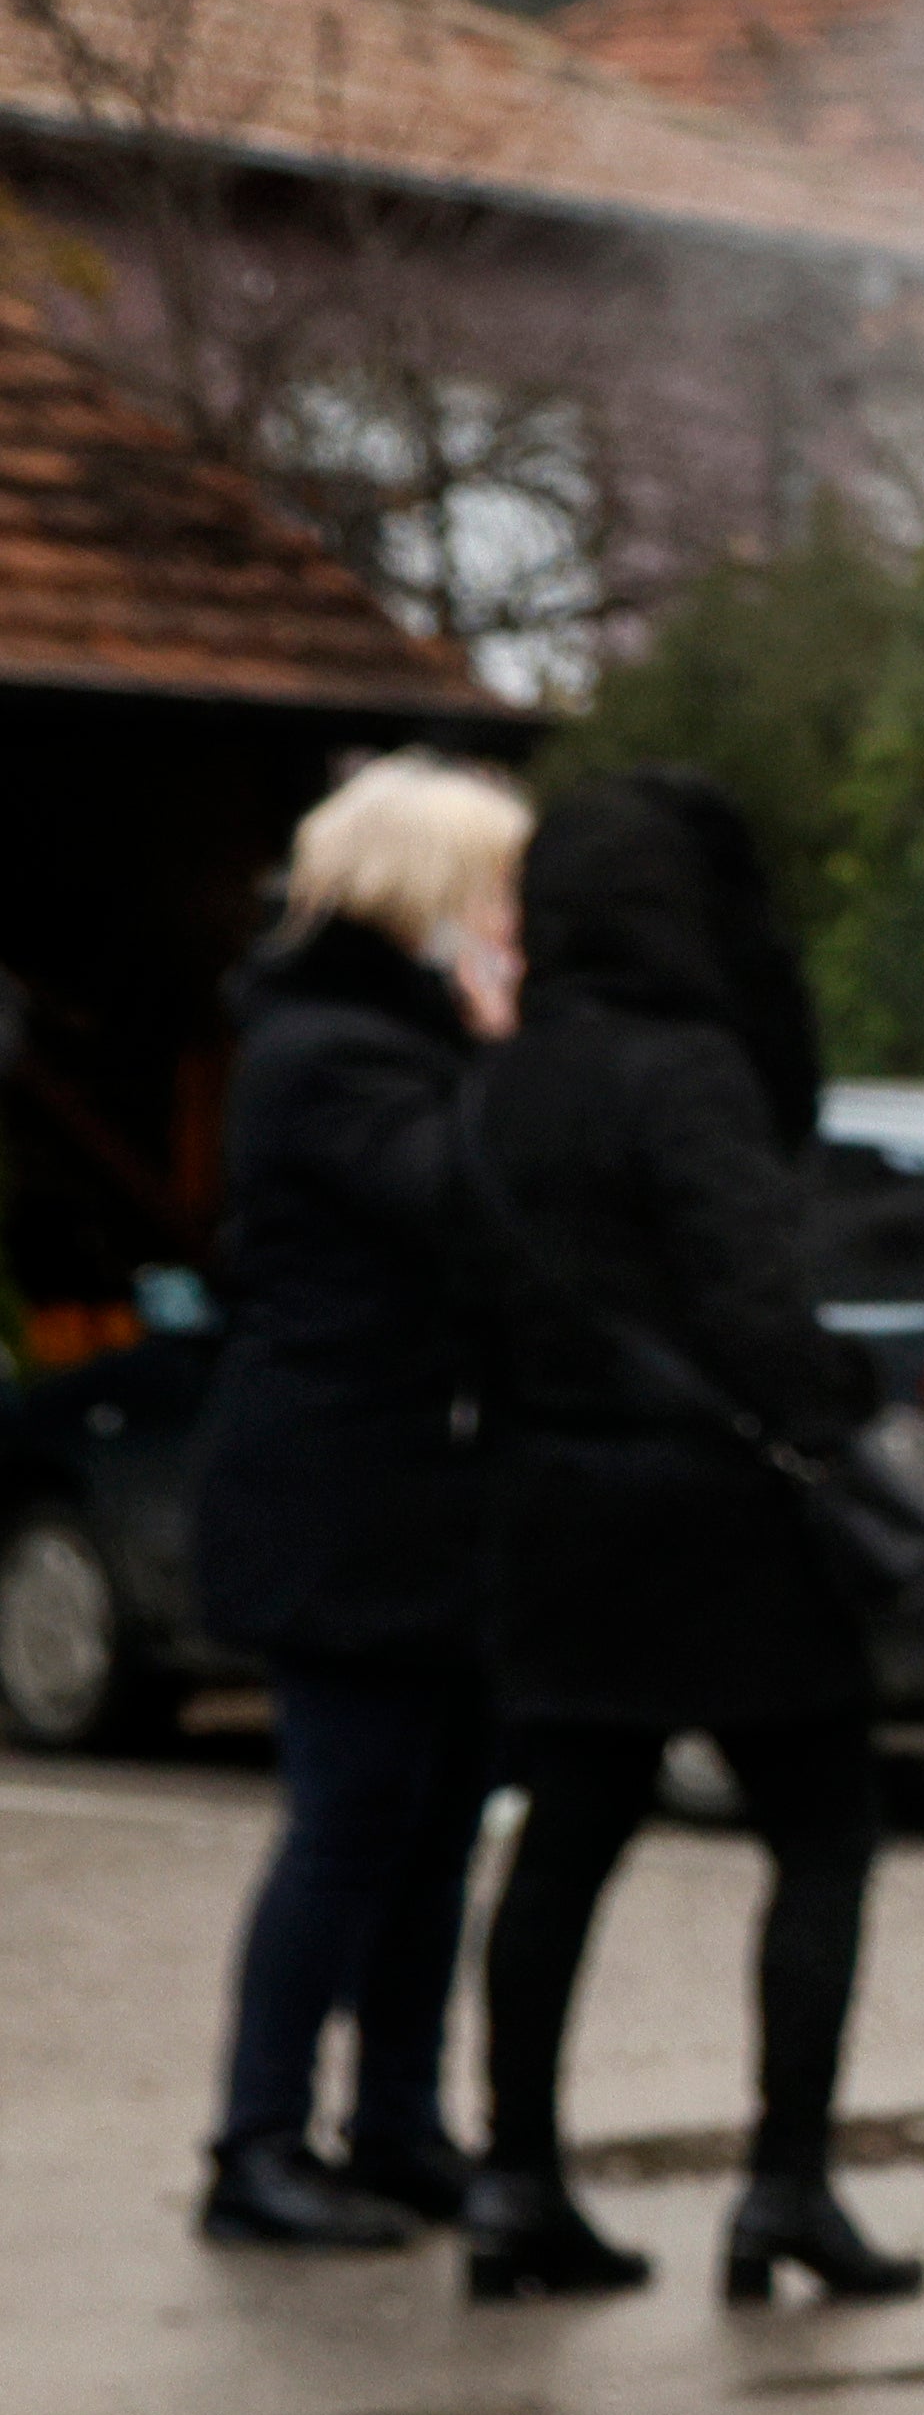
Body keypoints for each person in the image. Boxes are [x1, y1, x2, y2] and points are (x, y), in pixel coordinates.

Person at [458, 770, 923, 2309]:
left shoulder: (503, 1081)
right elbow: (749, 1302)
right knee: (822, 1832)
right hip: (715, 1519)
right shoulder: (691, 1068)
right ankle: (785, 2186)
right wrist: (831, 1397)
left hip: (550, 1509)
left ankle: (516, 2176)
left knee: (565, 1843)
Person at [182, 751, 530, 2252]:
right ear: (427, 895)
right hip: (342, 1499)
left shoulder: (392, 1046)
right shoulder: (331, 1052)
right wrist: (505, 1051)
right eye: (498, 890)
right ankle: (256, 2139)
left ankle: (395, 2121)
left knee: (438, 1823)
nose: (519, 919)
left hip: (429, 1500)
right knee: (346, 1822)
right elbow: (457, 1206)